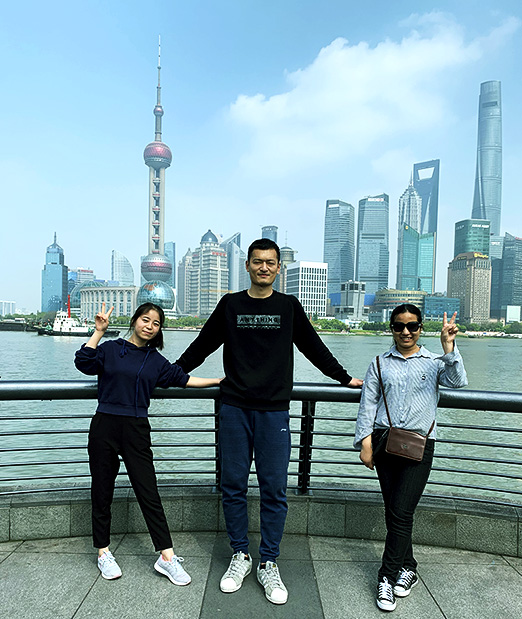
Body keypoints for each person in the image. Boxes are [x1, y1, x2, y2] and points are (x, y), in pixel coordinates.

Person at [175, 238, 363, 605]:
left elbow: (313, 347)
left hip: (274, 411)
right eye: (257, 261)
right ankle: (240, 555)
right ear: (247, 265)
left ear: (279, 268)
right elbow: (202, 345)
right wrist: (171, 371)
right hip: (234, 408)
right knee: (233, 486)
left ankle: (268, 562)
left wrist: (344, 378)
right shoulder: (230, 305)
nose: (264, 267)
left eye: (270, 262)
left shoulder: (288, 307)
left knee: (274, 489)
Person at [74, 302, 221, 584]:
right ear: (134, 320)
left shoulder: (156, 361)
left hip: (136, 428)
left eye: (156, 323)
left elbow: (184, 379)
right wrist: (98, 331)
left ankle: (166, 556)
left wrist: (218, 381)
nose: (149, 326)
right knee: (102, 491)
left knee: (148, 492)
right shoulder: (110, 348)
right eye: (145, 319)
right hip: (104, 425)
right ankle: (103, 552)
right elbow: (83, 362)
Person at [354, 304, 468, 612]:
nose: (406, 331)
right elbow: (368, 404)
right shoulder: (379, 363)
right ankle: (409, 567)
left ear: (420, 328)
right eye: (399, 326)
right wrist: (365, 443)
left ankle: (386, 577)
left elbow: (458, 381)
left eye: (413, 326)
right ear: (391, 328)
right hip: (384, 442)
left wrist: (449, 347)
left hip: (420, 445)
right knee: (395, 511)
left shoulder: (434, 362)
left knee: (402, 512)